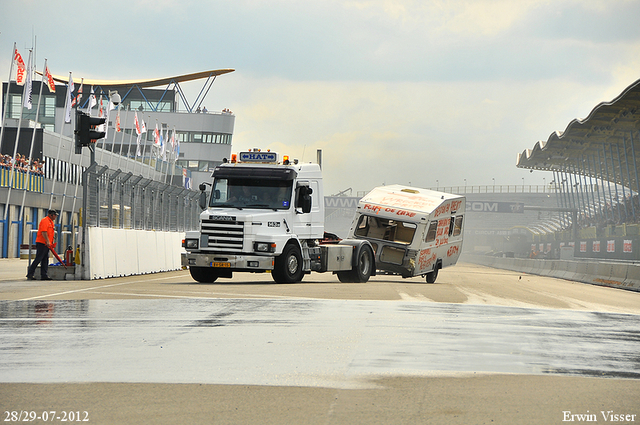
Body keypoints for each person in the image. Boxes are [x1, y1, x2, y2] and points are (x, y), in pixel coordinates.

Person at [26, 209, 58, 281]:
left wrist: (50, 242)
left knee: (45, 259)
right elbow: (44, 232)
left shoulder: (51, 222)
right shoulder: (45, 221)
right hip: (42, 243)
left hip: (47, 243)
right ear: (50, 214)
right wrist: (47, 241)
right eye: (55, 215)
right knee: (39, 258)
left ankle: (44, 275)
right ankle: (30, 273)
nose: (55, 217)